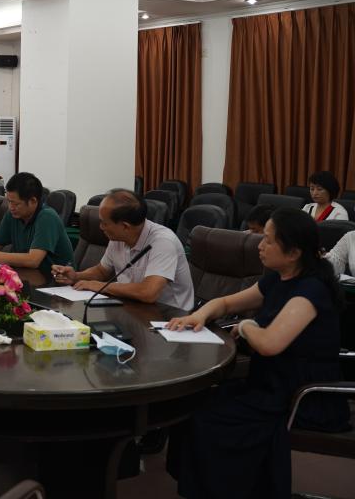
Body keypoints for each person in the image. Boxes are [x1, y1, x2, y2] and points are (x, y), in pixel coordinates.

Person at [166, 208, 349, 499]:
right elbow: (226, 303)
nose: (259, 245)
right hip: (269, 383)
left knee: (207, 420)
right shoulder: (278, 278)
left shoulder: (310, 290)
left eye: (268, 240)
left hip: (302, 395)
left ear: (293, 252)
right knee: (191, 404)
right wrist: (198, 316)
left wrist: (247, 326)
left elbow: (269, 344)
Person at [51, 189, 194, 310]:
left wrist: (100, 286)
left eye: (104, 223)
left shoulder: (163, 242)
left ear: (125, 226)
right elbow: (102, 271)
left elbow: (148, 292)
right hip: (131, 306)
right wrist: (76, 276)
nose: (101, 227)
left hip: (168, 316)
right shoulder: (118, 237)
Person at [0, 172, 73, 281]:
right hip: (26, 277)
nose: (11, 207)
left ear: (33, 201)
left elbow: (33, 260)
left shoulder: (47, 217)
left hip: (55, 282)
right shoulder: (13, 215)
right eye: (9, 201)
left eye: (16, 203)